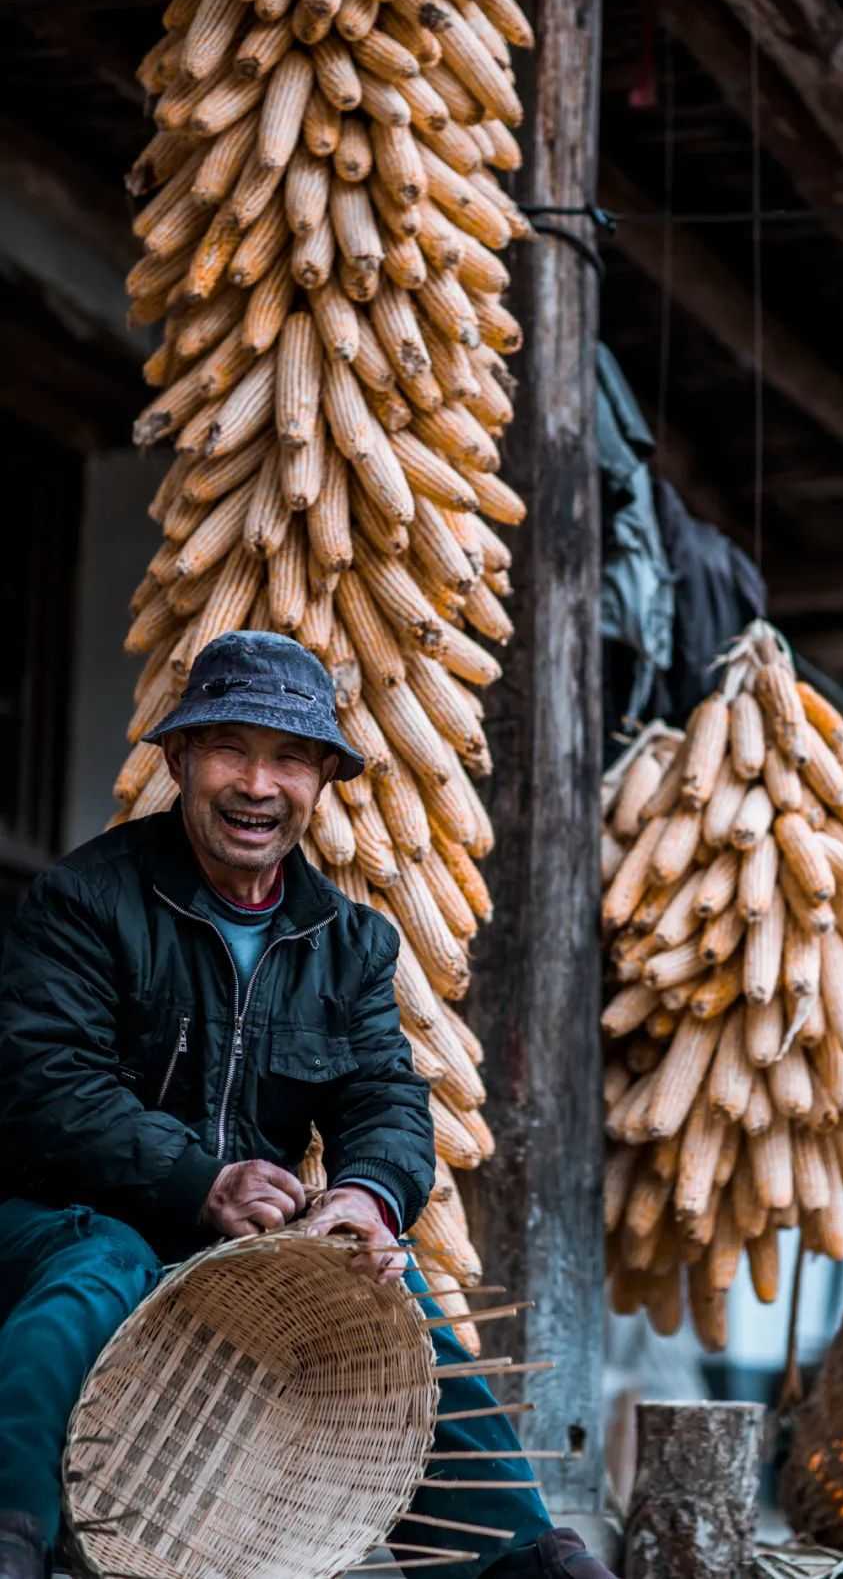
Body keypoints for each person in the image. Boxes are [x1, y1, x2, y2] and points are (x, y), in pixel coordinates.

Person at [0, 632, 617, 1579]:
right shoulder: (84, 902)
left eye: (289, 757)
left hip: (242, 1239)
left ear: (322, 779)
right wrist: (203, 1180)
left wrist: (367, 1194)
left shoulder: (348, 940)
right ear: (178, 761)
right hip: (69, 1214)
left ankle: (527, 1565)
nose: (258, 784)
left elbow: (386, 1096)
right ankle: (15, 1536)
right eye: (230, 751)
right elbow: (47, 1089)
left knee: (392, 1302)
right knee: (97, 1272)